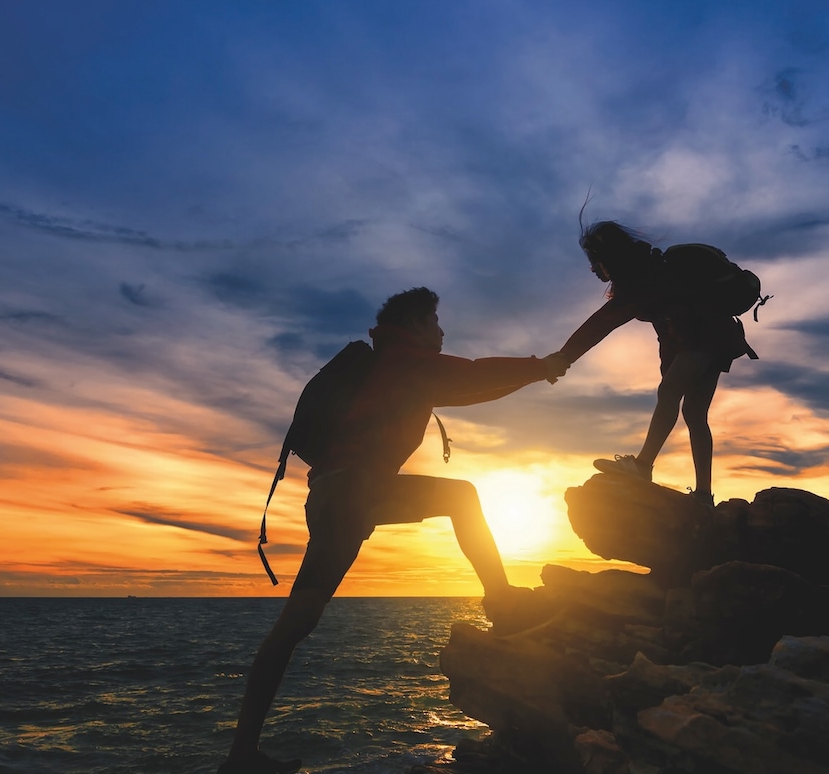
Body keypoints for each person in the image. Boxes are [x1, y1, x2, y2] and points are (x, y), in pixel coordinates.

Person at [218, 287, 569, 774]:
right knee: (461, 496)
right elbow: (474, 377)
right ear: (415, 325)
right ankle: (503, 601)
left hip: (333, 496)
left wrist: (537, 369)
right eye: (436, 322)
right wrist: (541, 365)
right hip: (354, 491)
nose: (443, 332)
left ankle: (240, 756)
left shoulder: (386, 366)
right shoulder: (405, 363)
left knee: (296, 623)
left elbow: (468, 387)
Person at [557, 221, 754, 507]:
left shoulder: (640, 280)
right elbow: (670, 326)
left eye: (595, 261)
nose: (593, 269)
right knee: (695, 414)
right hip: (719, 337)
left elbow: (603, 322)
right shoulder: (652, 269)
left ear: (608, 256)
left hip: (705, 338)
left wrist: (564, 356)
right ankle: (703, 495)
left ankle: (642, 466)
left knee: (671, 393)